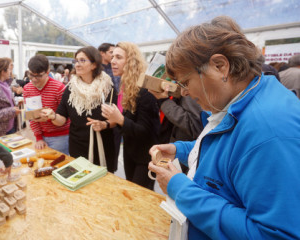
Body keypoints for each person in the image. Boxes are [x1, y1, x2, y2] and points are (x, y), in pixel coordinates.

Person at [148, 16, 300, 239]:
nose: (185, 92)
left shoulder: (268, 131)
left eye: (185, 82)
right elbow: (232, 152)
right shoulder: (243, 100)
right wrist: (181, 150)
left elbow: (274, 234)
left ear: (220, 66)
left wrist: (181, 190)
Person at [42, 46, 118, 173]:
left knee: (102, 187)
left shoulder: (107, 88)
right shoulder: (70, 89)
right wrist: (53, 116)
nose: (77, 64)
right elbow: (61, 119)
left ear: (94, 65)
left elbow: (117, 119)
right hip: (78, 146)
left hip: (103, 146)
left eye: (82, 60)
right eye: (76, 61)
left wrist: (104, 124)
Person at [98, 42, 160, 190]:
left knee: (140, 199)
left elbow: (147, 132)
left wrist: (119, 119)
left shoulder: (145, 91)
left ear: (131, 62)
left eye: (118, 57)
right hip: (130, 152)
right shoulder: (125, 87)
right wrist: (110, 122)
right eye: (112, 57)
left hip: (144, 158)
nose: (113, 61)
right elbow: (125, 124)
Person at [22, 54, 70, 154]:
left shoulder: (59, 89)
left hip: (61, 137)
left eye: (39, 76)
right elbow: (31, 117)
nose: (34, 79)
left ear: (48, 72)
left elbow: (66, 118)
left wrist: (52, 117)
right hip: (42, 136)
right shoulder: (27, 89)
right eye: (31, 75)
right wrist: (38, 137)